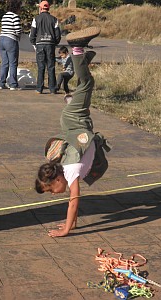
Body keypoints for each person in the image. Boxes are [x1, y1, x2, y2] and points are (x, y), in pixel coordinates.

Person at [35, 27, 110, 238]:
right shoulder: (68, 172)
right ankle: (83, 59)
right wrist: (73, 225)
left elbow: (74, 203)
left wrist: (65, 230)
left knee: (86, 83)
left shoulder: (70, 170)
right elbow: (73, 205)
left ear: (57, 180)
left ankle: (77, 49)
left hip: (73, 120)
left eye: (50, 190)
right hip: (78, 125)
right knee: (87, 83)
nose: (52, 194)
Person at [29, 0, 61, 94]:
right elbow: (58, 35)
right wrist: (55, 43)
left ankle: (39, 88)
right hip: (50, 44)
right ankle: (52, 89)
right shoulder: (54, 19)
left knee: (41, 67)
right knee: (51, 67)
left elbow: (32, 34)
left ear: (41, 8)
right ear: (48, 8)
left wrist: (34, 43)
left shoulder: (36, 19)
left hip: (39, 44)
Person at [0, 0, 23, 91]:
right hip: (11, 40)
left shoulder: (5, 16)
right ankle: (13, 84)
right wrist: (20, 36)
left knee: (5, 63)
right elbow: (18, 30)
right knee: (13, 63)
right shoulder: (15, 16)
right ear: (17, 7)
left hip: (1, 39)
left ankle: (1, 83)